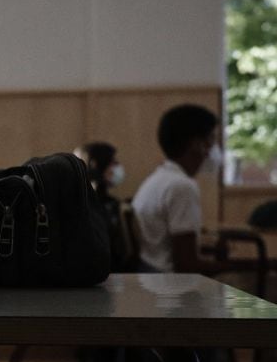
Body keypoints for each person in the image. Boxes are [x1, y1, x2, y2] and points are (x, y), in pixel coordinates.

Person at [133, 104, 223, 274]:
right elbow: (187, 266)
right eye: (211, 139)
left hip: (150, 275)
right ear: (196, 144)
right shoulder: (182, 187)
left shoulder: (157, 179)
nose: (214, 149)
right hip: (170, 286)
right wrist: (244, 267)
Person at [76, 141, 128, 271]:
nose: (117, 167)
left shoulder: (111, 203)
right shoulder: (101, 205)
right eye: (113, 162)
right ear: (97, 165)